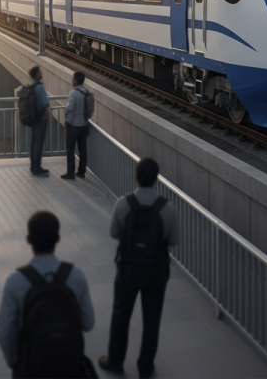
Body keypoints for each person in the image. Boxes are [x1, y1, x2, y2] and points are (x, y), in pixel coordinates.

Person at [99, 158, 179, 379]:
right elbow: (173, 240)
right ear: (156, 180)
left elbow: (114, 234)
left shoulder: (124, 204)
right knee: (151, 321)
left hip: (127, 269)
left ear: (136, 177)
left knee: (120, 314)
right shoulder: (167, 207)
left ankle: (115, 362)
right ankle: (145, 367)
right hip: (156, 271)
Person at [0, 211, 95, 377]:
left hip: (32, 365)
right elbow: (88, 323)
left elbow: (4, 331)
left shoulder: (15, 281)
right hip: (69, 363)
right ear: (58, 238)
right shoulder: (76, 275)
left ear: (28, 240)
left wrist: (12, 358)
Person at [62, 71, 94, 180]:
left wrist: (67, 122)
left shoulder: (73, 93)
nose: (71, 80)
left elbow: (70, 109)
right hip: (84, 125)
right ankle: (81, 172)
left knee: (70, 149)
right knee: (82, 149)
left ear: (75, 80)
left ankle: (70, 172)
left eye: (72, 78)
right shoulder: (86, 92)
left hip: (74, 126)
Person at [27, 66, 50, 177]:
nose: (42, 73)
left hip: (33, 117)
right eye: (40, 72)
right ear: (37, 75)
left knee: (34, 142)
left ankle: (33, 166)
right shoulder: (40, 87)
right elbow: (45, 102)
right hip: (41, 118)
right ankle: (37, 167)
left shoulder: (29, 85)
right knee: (39, 143)